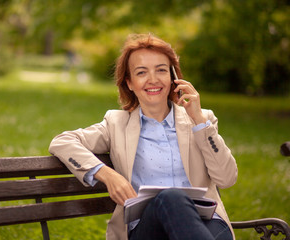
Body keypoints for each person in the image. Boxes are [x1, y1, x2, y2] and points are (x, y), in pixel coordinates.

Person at [49, 33, 238, 240]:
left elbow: (227, 179)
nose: (153, 79)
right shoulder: (116, 124)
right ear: (129, 82)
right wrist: (107, 174)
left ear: (174, 77)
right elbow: (63, 141)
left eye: (161, 70)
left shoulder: (202, 120)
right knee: (171, 197)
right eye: (141, 72)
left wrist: (200, 122)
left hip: (206, 223)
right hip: (148, 230)